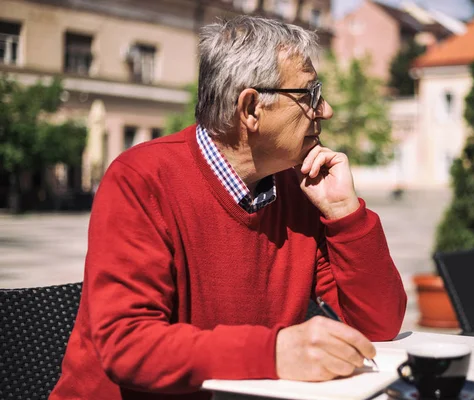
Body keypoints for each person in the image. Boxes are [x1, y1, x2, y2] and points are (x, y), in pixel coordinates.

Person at [50, 16, 406, 400]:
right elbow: (127, 344)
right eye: (309, 95)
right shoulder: (141, 179)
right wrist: (273, 354)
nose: (326, 110)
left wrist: (344, 214)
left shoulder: (298, 188)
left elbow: (378, 326)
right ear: (251, 108)